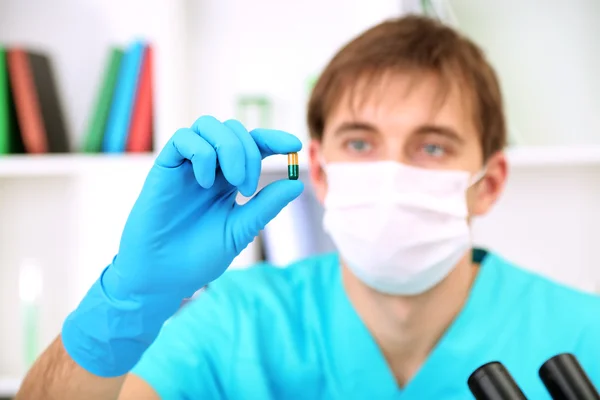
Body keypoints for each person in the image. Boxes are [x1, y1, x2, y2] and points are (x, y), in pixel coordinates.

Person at [16, 15, 600, 400]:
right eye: (360, 142)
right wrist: (127, 300)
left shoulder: (584, 333)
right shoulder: (238, 323)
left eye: (431, 145)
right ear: (317, 169)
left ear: (489, 182)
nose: (389, 173)